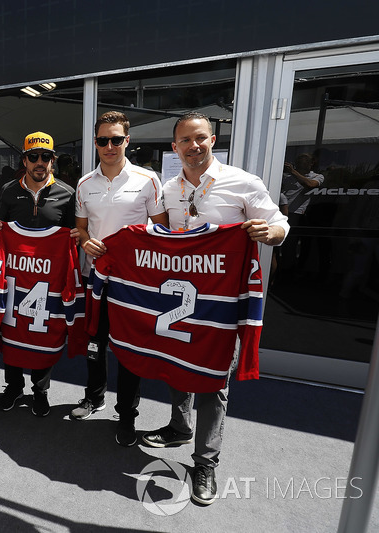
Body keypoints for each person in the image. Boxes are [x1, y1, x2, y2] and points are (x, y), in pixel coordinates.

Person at [141, 112, 289, 505]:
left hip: (223, 305)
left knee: (213, 383)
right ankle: (178, 426)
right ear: (174, 147)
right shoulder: (168, 190)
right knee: (176, 366)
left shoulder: (244, 182)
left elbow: (279, 226)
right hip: (181, 302)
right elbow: (157, 239)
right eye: (185, 140)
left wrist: (268, 232)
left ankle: (205, 461)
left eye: (201, 138)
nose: (194, 146)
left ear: (213, 140)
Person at [70, 112, 168, 449]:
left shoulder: (147, 179)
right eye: (102, 140)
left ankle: (126, 414)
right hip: (96, 279)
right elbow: (81, 228)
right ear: (95, 143)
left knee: (128, 351)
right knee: (95, 345)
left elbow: (161, 230)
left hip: (133, 285)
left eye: (116, 139)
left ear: (127, 140)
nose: (109, 146)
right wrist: (84, 241)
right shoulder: (85, 184)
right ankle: (93, 398)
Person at [0, 131, 75, 416]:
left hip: (47, 281)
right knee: (12, 330)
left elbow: (73, 235)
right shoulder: (8, 190)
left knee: (45, 332)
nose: (40, 162)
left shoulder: (67, 194)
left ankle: (41, 390)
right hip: (16, 279)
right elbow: (0, 226)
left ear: (52, 159)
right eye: (33, 157)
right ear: (24, 160)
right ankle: (13, 387)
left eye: (46, 157)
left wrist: (74, 237)